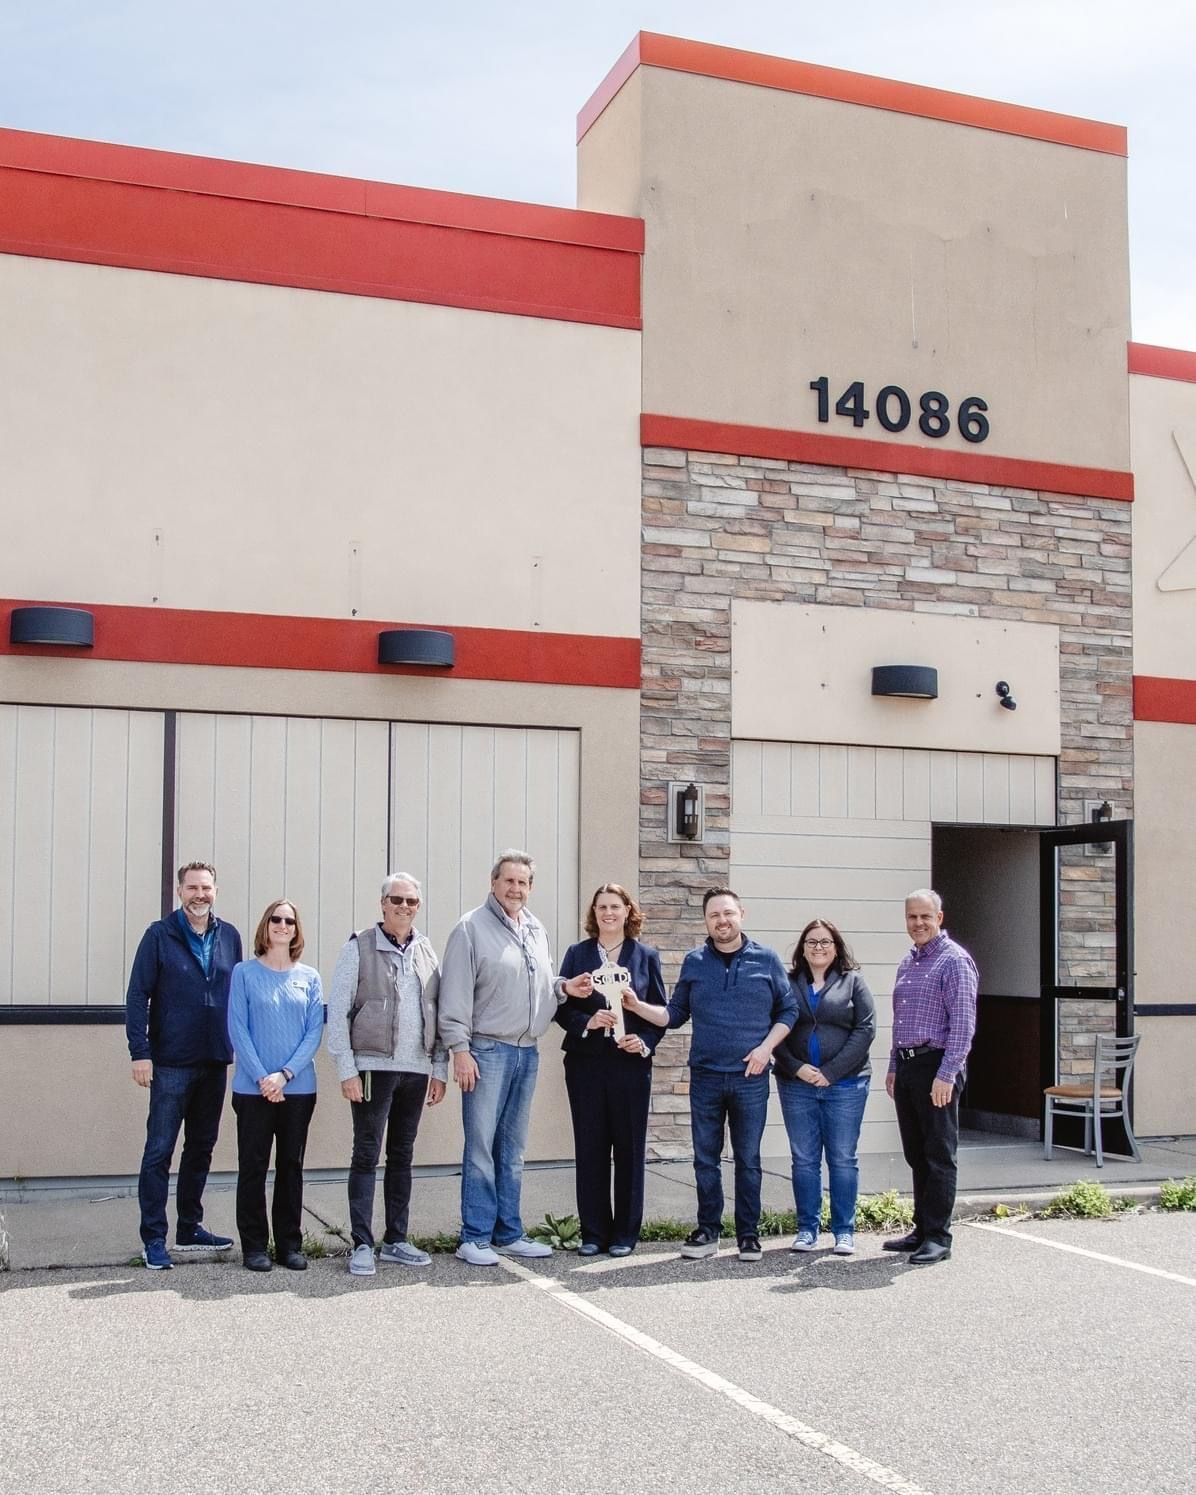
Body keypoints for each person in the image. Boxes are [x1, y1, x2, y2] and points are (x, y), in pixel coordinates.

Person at [439, 850, 593, 1266]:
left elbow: (539, 984)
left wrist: (564, 988)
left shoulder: (535, 928)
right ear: (493, 883)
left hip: (527, 1052)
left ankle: (508, 1232)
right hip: (486, 1052)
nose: (516, 889)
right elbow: (453, 994)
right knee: (481, 1149)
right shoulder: (471, 928)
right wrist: (459, 1050)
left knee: (512, 1149)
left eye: (523, 882)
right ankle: (474, 1236)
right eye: (509, 881)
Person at [628, 886, 796, 1263]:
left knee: (748, 1160)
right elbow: (674, 1015)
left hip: (749, 1079)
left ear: (741, 914)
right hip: (705, 1076)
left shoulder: (766, 960)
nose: (722, 920)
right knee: (705, 1159)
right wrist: (637, 1006)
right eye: (714, 915)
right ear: (706, 921)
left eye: (727, 913)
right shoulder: (695, 961)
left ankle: (749, 1235)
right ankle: (708, 1231)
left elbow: (788, 1012)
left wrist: (766, 1048)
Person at [326, 872, 448, 1277]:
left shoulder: (427, 950)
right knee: (366, 1154)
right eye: (396, 900)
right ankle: (362, 1244)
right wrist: (347, 1068)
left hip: (416, 1069)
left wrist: (439, 1068)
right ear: (382, 904)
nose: (404, 907)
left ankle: (396, 1240)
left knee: (402, 1155)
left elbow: (439, 1011)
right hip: (372, 1068)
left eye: (411, 901)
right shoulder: (358, 947)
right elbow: (338, 1012)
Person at [125, 861, 242, 1270]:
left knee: (201, 1149)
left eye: (206, 888)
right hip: (170, 1062)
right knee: (159, 1151)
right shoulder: (159, 936)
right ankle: (154, 1238)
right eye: (192, 887)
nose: (200, 895)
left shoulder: (230, 936)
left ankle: (190, 1226)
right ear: (179, 891)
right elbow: (138, 995)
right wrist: (139, 1052)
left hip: (214, 1060)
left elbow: (237, 995)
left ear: (215, 891)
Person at [555, 884, 667, 1256]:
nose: (608, 913)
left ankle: (624, 1234)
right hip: (587, 1064)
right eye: (602, 907)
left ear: (627, 911)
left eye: (615, 906)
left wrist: (645, 1041)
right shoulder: (578, 954)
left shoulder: (645, 956)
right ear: (594, 913)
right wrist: (588, 1022)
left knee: (630, 1149)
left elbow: (660, 1015)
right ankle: (593, 1233)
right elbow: (562, 1009)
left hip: (630, 1065)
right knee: (590, 1147)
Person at [226, 899, 324, 1273]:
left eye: (290, 921)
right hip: (253, 1090)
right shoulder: (244, 973)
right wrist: (263, 1077)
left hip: (297, 1089)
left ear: (297, 930)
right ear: (265, 926)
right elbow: (238, 1027)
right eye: (276, 919)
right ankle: (254, 1246)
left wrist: (284, 1075)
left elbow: (314, 1031)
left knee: (290, 1166)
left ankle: (289, 1245)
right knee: (252, 1166)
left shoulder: (310, 977)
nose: (283, 925)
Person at [883, 889, 978, 1266]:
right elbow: (901, 1020)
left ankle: (938, 1237)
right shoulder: (908, 962)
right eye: (912, 917)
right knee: (916, 1153)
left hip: (938, 1065)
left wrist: (947, 1074)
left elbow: (964, 1024)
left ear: (940, 917)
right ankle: (921, 1228)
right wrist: (894, 1065)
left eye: (925, 917)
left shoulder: (954, 961)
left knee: (939, 1155)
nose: (918, 923)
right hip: (908, 1066)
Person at [773, 918, 876, 1256]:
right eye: (812, 942)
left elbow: (865, 1031)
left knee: (843, 1158)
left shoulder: (853, 982)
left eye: (825, 942)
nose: (819, 948)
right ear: (802, 949)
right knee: (804, 1159)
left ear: (837, 947)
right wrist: (797, 1068)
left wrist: (830, 1072)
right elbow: (773, 1029)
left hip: (845, 1084)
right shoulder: (787, 984)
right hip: (796, 1084)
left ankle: (844, 1231)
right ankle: (807, 1229)